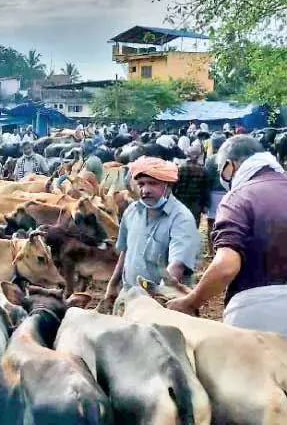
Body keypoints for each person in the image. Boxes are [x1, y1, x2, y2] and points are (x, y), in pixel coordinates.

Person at [166, 136, 287, 335]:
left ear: (230, 165)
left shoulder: (239, 198)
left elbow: (226, 266)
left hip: (257, 316)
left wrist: (192, 300)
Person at [104, 157, 200, 301]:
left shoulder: (181, 218)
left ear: (167, 186)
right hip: (129, 295)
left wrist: (159, 296)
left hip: (164, 300)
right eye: (141, 184)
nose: (145, 190)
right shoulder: (131, 211)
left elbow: (177, 265)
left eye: (153, 184)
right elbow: (125, 251)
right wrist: (112, 285)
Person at [172, 145, 210, 226]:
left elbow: (174, 186)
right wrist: (205, 204)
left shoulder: (180, 168)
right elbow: (205, 189)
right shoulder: (203, 170)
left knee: (179, 224)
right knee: (193, 225)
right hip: (196, 203)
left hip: (181, 201)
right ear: (198, 156)